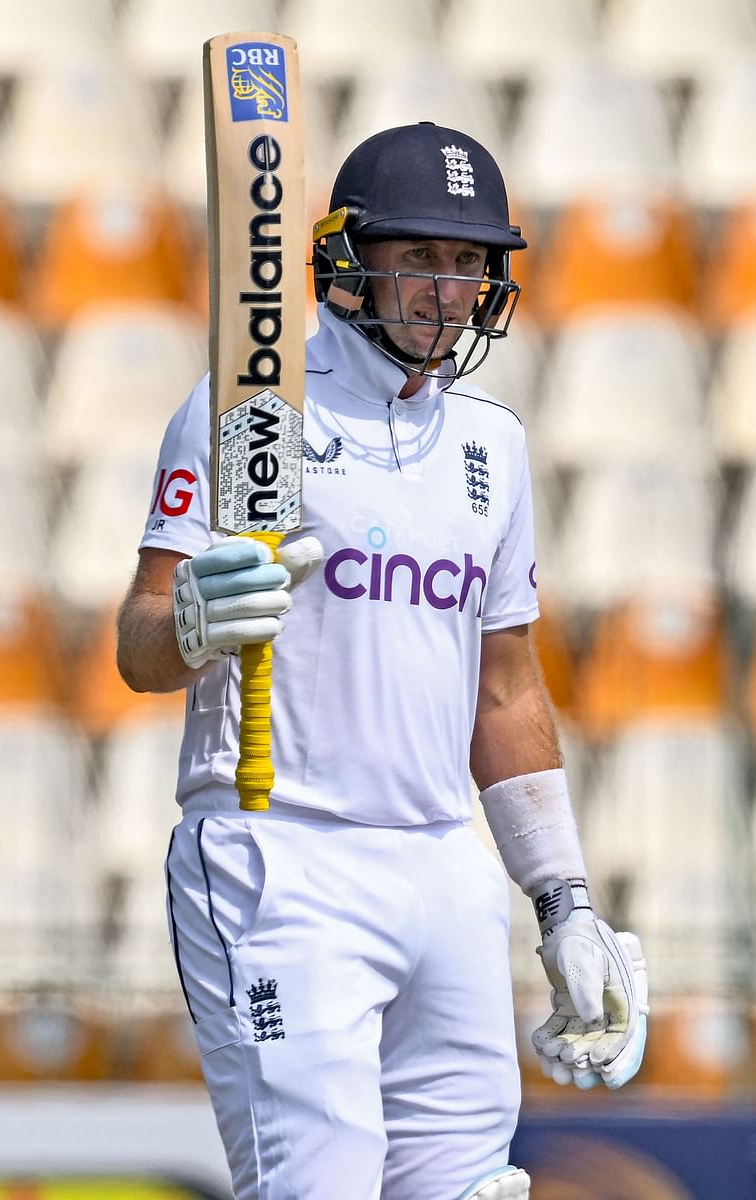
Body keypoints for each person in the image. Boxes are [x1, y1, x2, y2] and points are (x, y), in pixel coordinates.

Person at [116, 122, 649, 1200]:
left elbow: (503, 688)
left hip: (442, 865)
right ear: (345, 258)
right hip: (281, 860)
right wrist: (190, 627)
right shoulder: (248, 414)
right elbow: (138, 644)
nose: (445, 290)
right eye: (418, 257)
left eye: (467, 263)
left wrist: (562, 903)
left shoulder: (489, 444)